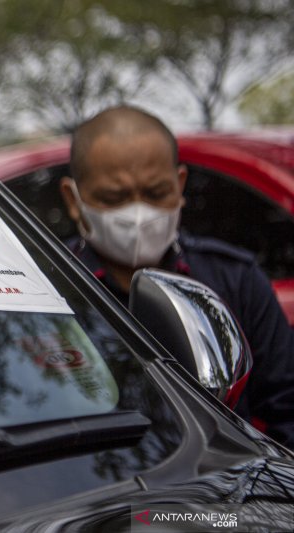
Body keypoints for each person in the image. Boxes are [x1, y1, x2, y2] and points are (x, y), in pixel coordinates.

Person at [59, 104, 294, 446]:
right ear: (72, 199)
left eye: (156, 194)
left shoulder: (235, 279)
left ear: (179, 184)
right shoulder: (52, 290)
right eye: (114, 197)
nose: (139, 213)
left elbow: (286, 408)